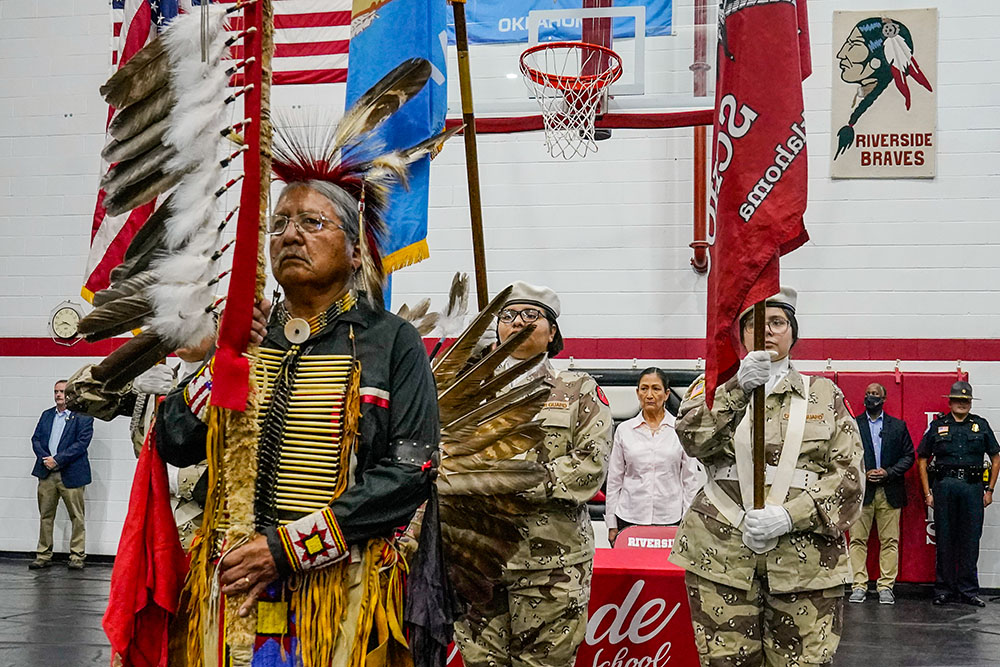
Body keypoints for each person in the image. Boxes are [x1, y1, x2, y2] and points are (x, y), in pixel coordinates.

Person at [155, 177, 441, 663]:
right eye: (280, 223)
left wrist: (287, 548)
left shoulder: (391, 342)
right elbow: (174, 441)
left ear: (355, 252)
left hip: (337, 592)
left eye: (312, 222)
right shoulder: (247, 337)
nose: (291, 235)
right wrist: (224, 360)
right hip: (228, 585)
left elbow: (410, 472)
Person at [668, 287, 864, 666]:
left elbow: (849, 479)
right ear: (740, 335)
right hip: (721, 554)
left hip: (805, 563)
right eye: (755, 324)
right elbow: (691, 439)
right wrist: (736, 387)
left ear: (793, 332)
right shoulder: (711, 387)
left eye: (777, 322)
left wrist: (791, 515)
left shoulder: (825, 395)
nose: (767, 331)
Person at [454, 281, 613, 667]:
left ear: (551, 332)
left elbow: (590, 466)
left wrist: (516, 480)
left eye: (531, 315)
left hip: (551, 565)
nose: (518, 323)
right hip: (479, 561)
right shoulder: (468, 389)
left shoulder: (577, 390)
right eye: (508, 316)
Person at [917, 381, 1000, 607]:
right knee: (944, 539)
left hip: (973, 489)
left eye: (966, 400)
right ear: (950, 401)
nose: (961, 404)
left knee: (970, 540)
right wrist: (928, 493)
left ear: (970, 403)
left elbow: (995, 456)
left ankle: (968, 590)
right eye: (958, 400)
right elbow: (922, 458)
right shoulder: (938, 426)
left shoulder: (980, 425)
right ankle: (944, 589)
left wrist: (990, 489)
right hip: (945, 487)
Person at [605, 367, 703, 545]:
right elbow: (614, 480)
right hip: (630, 517)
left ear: (666, 394)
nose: (649, 395)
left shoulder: (680, 430)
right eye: (644, 388)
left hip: (670, 518)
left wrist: (689, 523)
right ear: (637, 393)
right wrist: (612, 524)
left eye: (656, 389)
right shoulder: (624, 430)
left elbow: (690, 480)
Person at [848, 382, 914, 605]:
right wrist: (862, 473)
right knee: (857, 540)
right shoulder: (853, 425)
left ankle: (886, 586)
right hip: (861, 492)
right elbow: (844, 456)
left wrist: (889, 472)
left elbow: (909, 456)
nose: (871, 397)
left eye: (875, 394)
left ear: (883, 398)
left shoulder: (898, 427)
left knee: (890, 541)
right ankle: (858, 585)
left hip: (890, 491)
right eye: (867, 394)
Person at [29, 379, 95, 570]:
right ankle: (43, 554)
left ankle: (77, 556)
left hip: (71, 474)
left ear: (71, 394)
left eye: (63, 391)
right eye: (56, 391)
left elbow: (81, 444)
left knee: (77, 516)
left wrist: (57, 459)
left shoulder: (84, 416)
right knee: (46, 516)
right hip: (46, 472)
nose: (59, 395)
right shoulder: (47, 415)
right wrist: (46, 459)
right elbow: (36, 439)